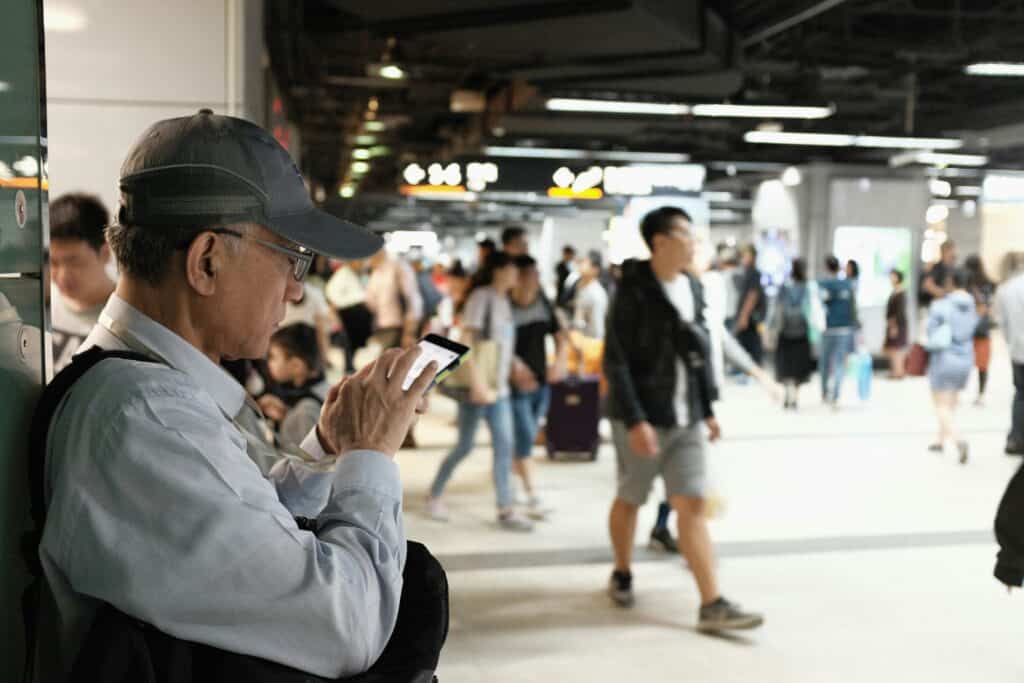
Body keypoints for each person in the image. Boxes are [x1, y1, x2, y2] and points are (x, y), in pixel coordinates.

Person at [36, 110, 440, 681]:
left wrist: (326, 449)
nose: (296, 291)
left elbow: (238, 532)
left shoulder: (142, 393)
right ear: (207, 260)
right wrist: (370, 455)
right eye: (291, 259)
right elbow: (348, 626)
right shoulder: (143, 417)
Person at [604, 206, 762, 631]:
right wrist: (635, 421)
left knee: (691, 504)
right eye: (687, 235)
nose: (694, 243)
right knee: (631, 497)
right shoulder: (632, 290)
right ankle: (622, 570)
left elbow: (696, 353)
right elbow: (616, 361)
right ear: (660, 241)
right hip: (642, 417)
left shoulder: (691, 286)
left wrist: (706, 408)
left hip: (686, 415)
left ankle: (712, 603)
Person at [427, 251, 534, 531]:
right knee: (465, 446)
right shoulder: (481, 297)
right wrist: (476, 383)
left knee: (504, 445)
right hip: (480, 387)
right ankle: (435, 493)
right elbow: (466, 341)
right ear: (498, 271)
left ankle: (506, 508)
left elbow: (502, 345)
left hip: (499, 389)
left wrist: (516, 365)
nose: (516, 274)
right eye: (511, 268)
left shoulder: (503, 300)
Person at [509, 254, 568, 518]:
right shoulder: (505, 305)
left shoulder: (544, 303)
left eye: (536, 274)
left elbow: (560, 336)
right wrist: (515, 367)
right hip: (514, 384)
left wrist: (560, 362)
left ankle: (514, 480)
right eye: (529, 274)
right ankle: (532, 494)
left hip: (541, 381)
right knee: (525, 436)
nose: (534, 279)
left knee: (528, 434)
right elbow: (497, 345)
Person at [48, 193, 117, 372]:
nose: (62, 276)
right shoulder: (42, 306)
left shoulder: (125, 318)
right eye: (53, 263)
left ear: (105, 253)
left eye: (74, 262)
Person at [926, 269, 978, 464]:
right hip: (965, 360)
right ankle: (939, 441)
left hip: (944, 359)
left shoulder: (941, 306)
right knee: (950, 404)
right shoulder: (972, 307)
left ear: (950, 282)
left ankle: (959, 440)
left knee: (941, 405)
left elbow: (931, 332)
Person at [258, 323, 330, 447]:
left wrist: (290, 420)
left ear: (296, 366)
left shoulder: (306, 410)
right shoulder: (324, 390)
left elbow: (303, 455)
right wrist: (286, 415)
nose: (268, 362)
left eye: (272, 357)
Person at [772, 258, 815, 409]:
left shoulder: (784, 287)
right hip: (802, 331)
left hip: (785, 330)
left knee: (786, 364)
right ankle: (795, 396)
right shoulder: (807, 287)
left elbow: (776, 308)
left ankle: (787, 393)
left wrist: (771, 326)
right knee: (799, 365)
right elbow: (811, 308)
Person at [818, 255, 859, 409]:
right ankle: (835, 394)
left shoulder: (822, 284)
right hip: (845, 329)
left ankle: (824, 393)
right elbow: (853, 308)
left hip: (828, 328)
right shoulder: (848, 285)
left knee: (825, 363)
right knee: (840, 363)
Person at [365, 248, 423, 350]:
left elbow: (413, 301)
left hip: (399, 329)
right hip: (381, 329)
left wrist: (409, 333)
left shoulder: (398, 267)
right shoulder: (376, 271)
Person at [997, 252, 1024, 455]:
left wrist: (1012, 342)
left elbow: (1002, 323)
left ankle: (1016, 439)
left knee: (1020, 394)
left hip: (1018, 350)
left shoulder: (1006, 289)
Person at [325, 259, 371, 374]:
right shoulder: (342, 274)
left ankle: (352, 366)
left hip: (357, 312)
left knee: (355, 343)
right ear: (352, 262)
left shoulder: (355, 275)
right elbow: (331, 293)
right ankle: (349, 367)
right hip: (348, 312)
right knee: (349, 342)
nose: (361, 265)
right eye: (359, 262)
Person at [281, 281, 340, 369]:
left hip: (309, 333)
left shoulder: (314, 294)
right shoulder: (281, 293)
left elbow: (321, 329)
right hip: (286, 333)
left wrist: (325, 357)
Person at [965, 254, 996, 406]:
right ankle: (980, 394)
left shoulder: (966, 286)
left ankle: (961, 392)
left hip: (966, 330)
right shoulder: (988, 284)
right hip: (983, 329)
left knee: (964, 361)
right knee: (982, 364)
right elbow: (989, 307)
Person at [732, 244, 766, 367]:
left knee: (750, 344)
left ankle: (753, 368)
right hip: (749, 317)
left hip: (751, 318)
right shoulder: (747, 272)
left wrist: (744, 317)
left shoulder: (754, 273)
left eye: (746, 255)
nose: (743, 258)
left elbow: (752, 295)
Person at [572, 249, 609, 339]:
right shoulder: (581, 286)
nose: (580, 265)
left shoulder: (597, 294)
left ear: (595, 269)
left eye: (585, 262)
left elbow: (598, 332)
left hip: (589, 342)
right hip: (579, 340)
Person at [920, 240, 959, 312]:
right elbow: (927, 285)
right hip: (935, 307)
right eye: (951, 251)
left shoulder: (953, 269)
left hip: (948, 307)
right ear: (944, 252)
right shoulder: (936, 268)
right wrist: (945, 295)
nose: (954, 254)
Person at [884, 269, 909, 379]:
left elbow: (899, 312)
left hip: (898, 324)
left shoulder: (901, 292)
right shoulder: (894, 292)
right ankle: (895, 370)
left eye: (893, 276)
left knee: (897, 348)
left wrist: (894, 326)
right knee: (892, 348)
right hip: (892, 323)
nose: (891, 278)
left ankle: (899, 371)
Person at [555, 245, 577, 313]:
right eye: (570, 254)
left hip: (570, 297)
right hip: (562, 296)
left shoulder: (573, 266)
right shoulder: (560, 266)